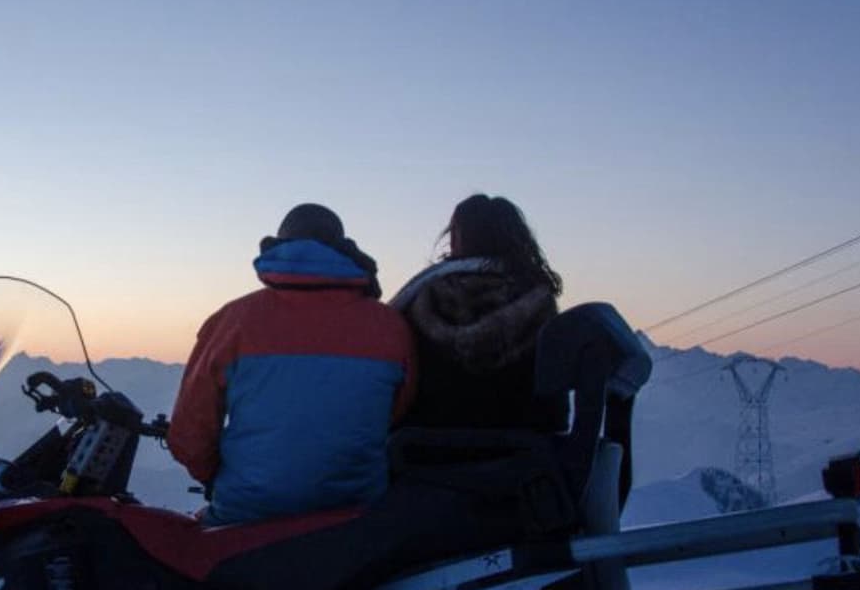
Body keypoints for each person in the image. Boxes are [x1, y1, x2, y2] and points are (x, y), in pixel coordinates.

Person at [168, 203, 415, 524]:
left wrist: (218, 477)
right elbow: (396, 414)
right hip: (357, 518)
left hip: (246, 517)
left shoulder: (233, 321)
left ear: (279, 246)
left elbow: (190, 434)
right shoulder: (391, 327)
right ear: (343, 249)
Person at [390, 194, 566, 433]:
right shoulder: (537, 302)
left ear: (457, 238)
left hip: (424, 451)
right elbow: (554, 401)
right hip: (522, 453)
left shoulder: (422, 299)